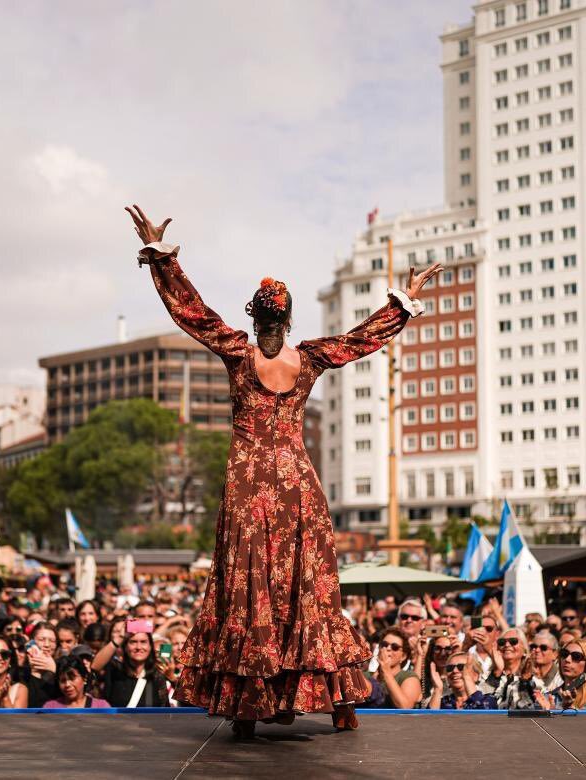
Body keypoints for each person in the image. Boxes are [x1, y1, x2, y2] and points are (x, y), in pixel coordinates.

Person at [129, 203, 439, 737]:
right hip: (296, 486)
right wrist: (403, 302)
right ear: (289, 318)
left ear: (254, 316)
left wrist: (163, 260)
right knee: (309, 591)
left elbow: (192, 312)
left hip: (249, 486)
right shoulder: (312, 356)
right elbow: (363, 339)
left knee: (249, 591)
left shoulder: (237, 351)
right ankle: (339, 706)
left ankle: (248, 708)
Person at [92, 619, 169, 709]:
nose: (138, 647)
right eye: (133, 642)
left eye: (143, 642)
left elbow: (165, 711)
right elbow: (95, 666)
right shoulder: (115, 670)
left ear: (150, 646)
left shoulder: (156, 676)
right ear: (125, 647)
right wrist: (120, 637)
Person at [538, 639, 586, 711]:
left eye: (576, 656)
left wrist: (569, 709)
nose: (567, 659)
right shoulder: (547, 698)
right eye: (564, 654)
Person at [364, 626, 422, 710]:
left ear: (403, 656)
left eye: (395, 647)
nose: (388, 648)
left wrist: (386, 671)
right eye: (384, 645)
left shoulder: (409, 677)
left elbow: (405, 707)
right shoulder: (366, 675)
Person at [426, 651, 494, 710]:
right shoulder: (443, 702)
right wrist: (437, 689)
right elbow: (428, 721)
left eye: (461, 667)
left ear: (476, 675)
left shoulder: (488, 699)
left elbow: (483, 715)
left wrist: (466, 677)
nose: (454, 671)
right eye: (450, 668)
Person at [44, 653, 110, 709]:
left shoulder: (101, 707)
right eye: (63, 680)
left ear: (84, 678)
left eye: (72, 679)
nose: (67, 685)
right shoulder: (50, 707)